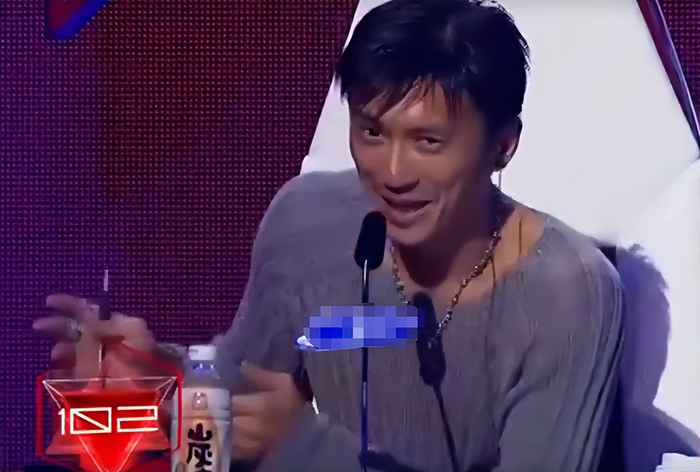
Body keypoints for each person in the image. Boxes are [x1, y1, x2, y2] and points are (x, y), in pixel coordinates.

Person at [34, 0, 625, 471]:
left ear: (502, 145)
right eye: (371, 132)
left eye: (428, 142)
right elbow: (240, 408)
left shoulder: (568, 294)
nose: (392, 173)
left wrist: (307, 450)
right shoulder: (307, 223)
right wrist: (166, 381)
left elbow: (287, 440)